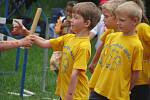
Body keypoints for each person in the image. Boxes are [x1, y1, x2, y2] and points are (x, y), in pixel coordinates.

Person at [12, 2, 100, 100]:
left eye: (76, 18)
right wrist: (26, 32)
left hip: (76, 95)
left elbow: (76, 74)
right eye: (72, 17)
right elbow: (45, 43)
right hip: (65, 91)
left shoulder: (83, 46)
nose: (71, 20)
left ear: (87, 23)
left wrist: (69, 96)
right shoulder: (69, 37)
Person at [89, 1, 143, 100]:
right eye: (117, 19)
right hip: (100, 88)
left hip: (117, 94)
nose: (118, 23)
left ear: (135, 21)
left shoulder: (137, 45)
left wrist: (126, 88)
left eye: (122, 20)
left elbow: (136, 72)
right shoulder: (111, 36)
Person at [89, 0, 125, 73]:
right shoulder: (109, 32)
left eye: (106, 16)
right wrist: (94, 62)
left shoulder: (126, 36)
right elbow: (101, 47)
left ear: (118, 17)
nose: (103, 20)